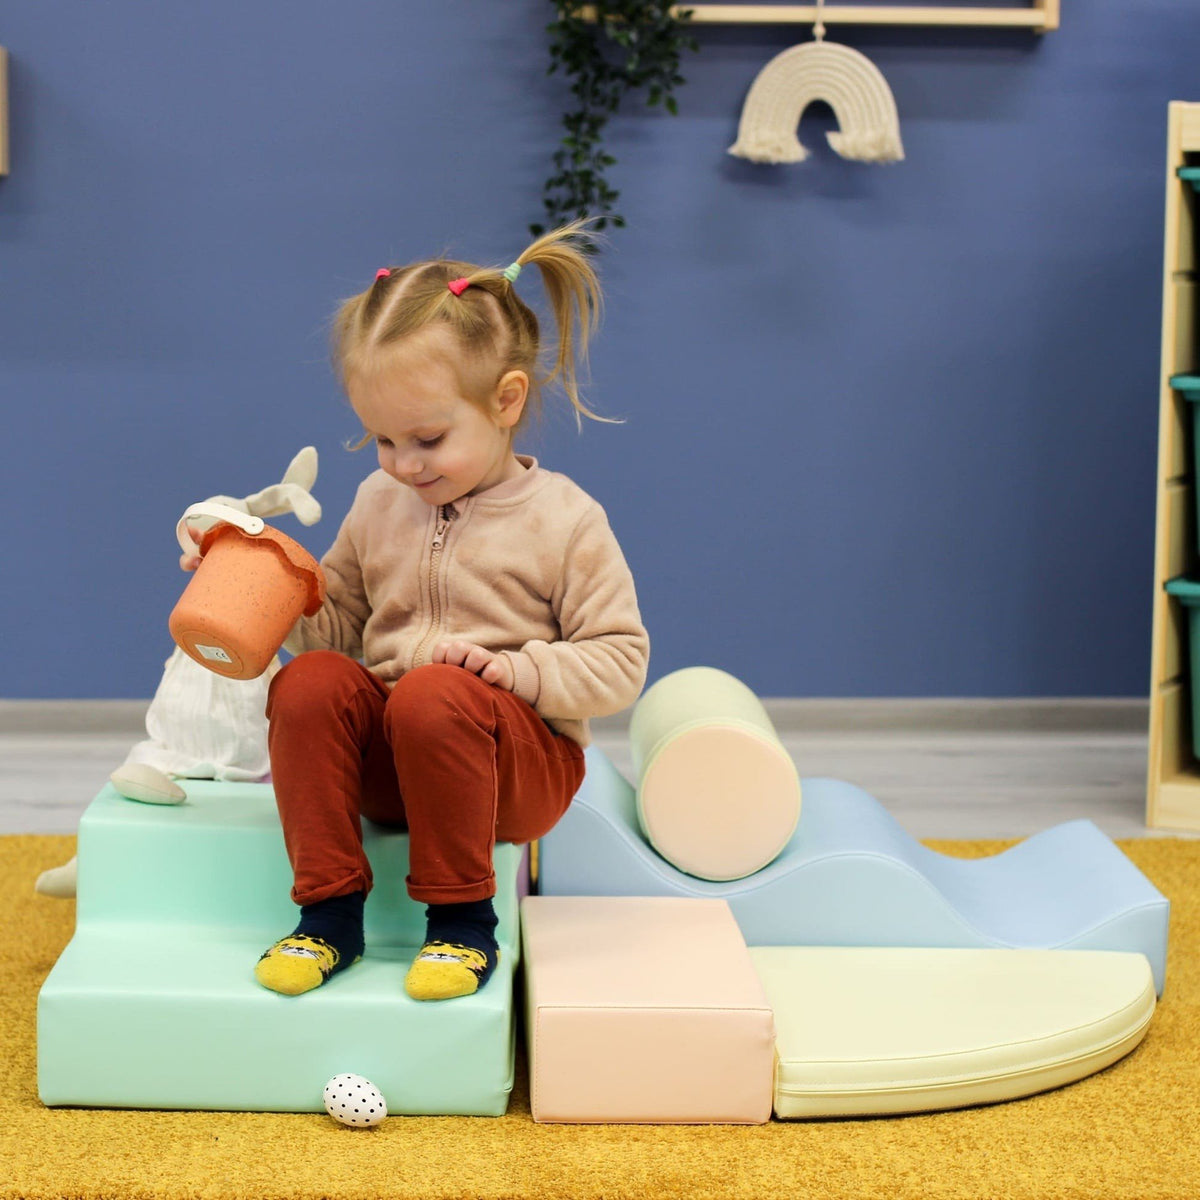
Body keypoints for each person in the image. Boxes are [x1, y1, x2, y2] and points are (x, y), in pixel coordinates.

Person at [182, 220, 649, 1002]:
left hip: (513, 770)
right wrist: (258, 573)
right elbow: (333, 631)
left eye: (427, 438)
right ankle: (328, 914)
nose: (403, 464)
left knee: (435, 691)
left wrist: (515, 671)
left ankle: (463, 924)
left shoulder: (565, 519)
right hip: (395, 766)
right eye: (382, 440)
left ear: (506, 401)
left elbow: (620, 664)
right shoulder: (379, 502)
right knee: (311, 683)